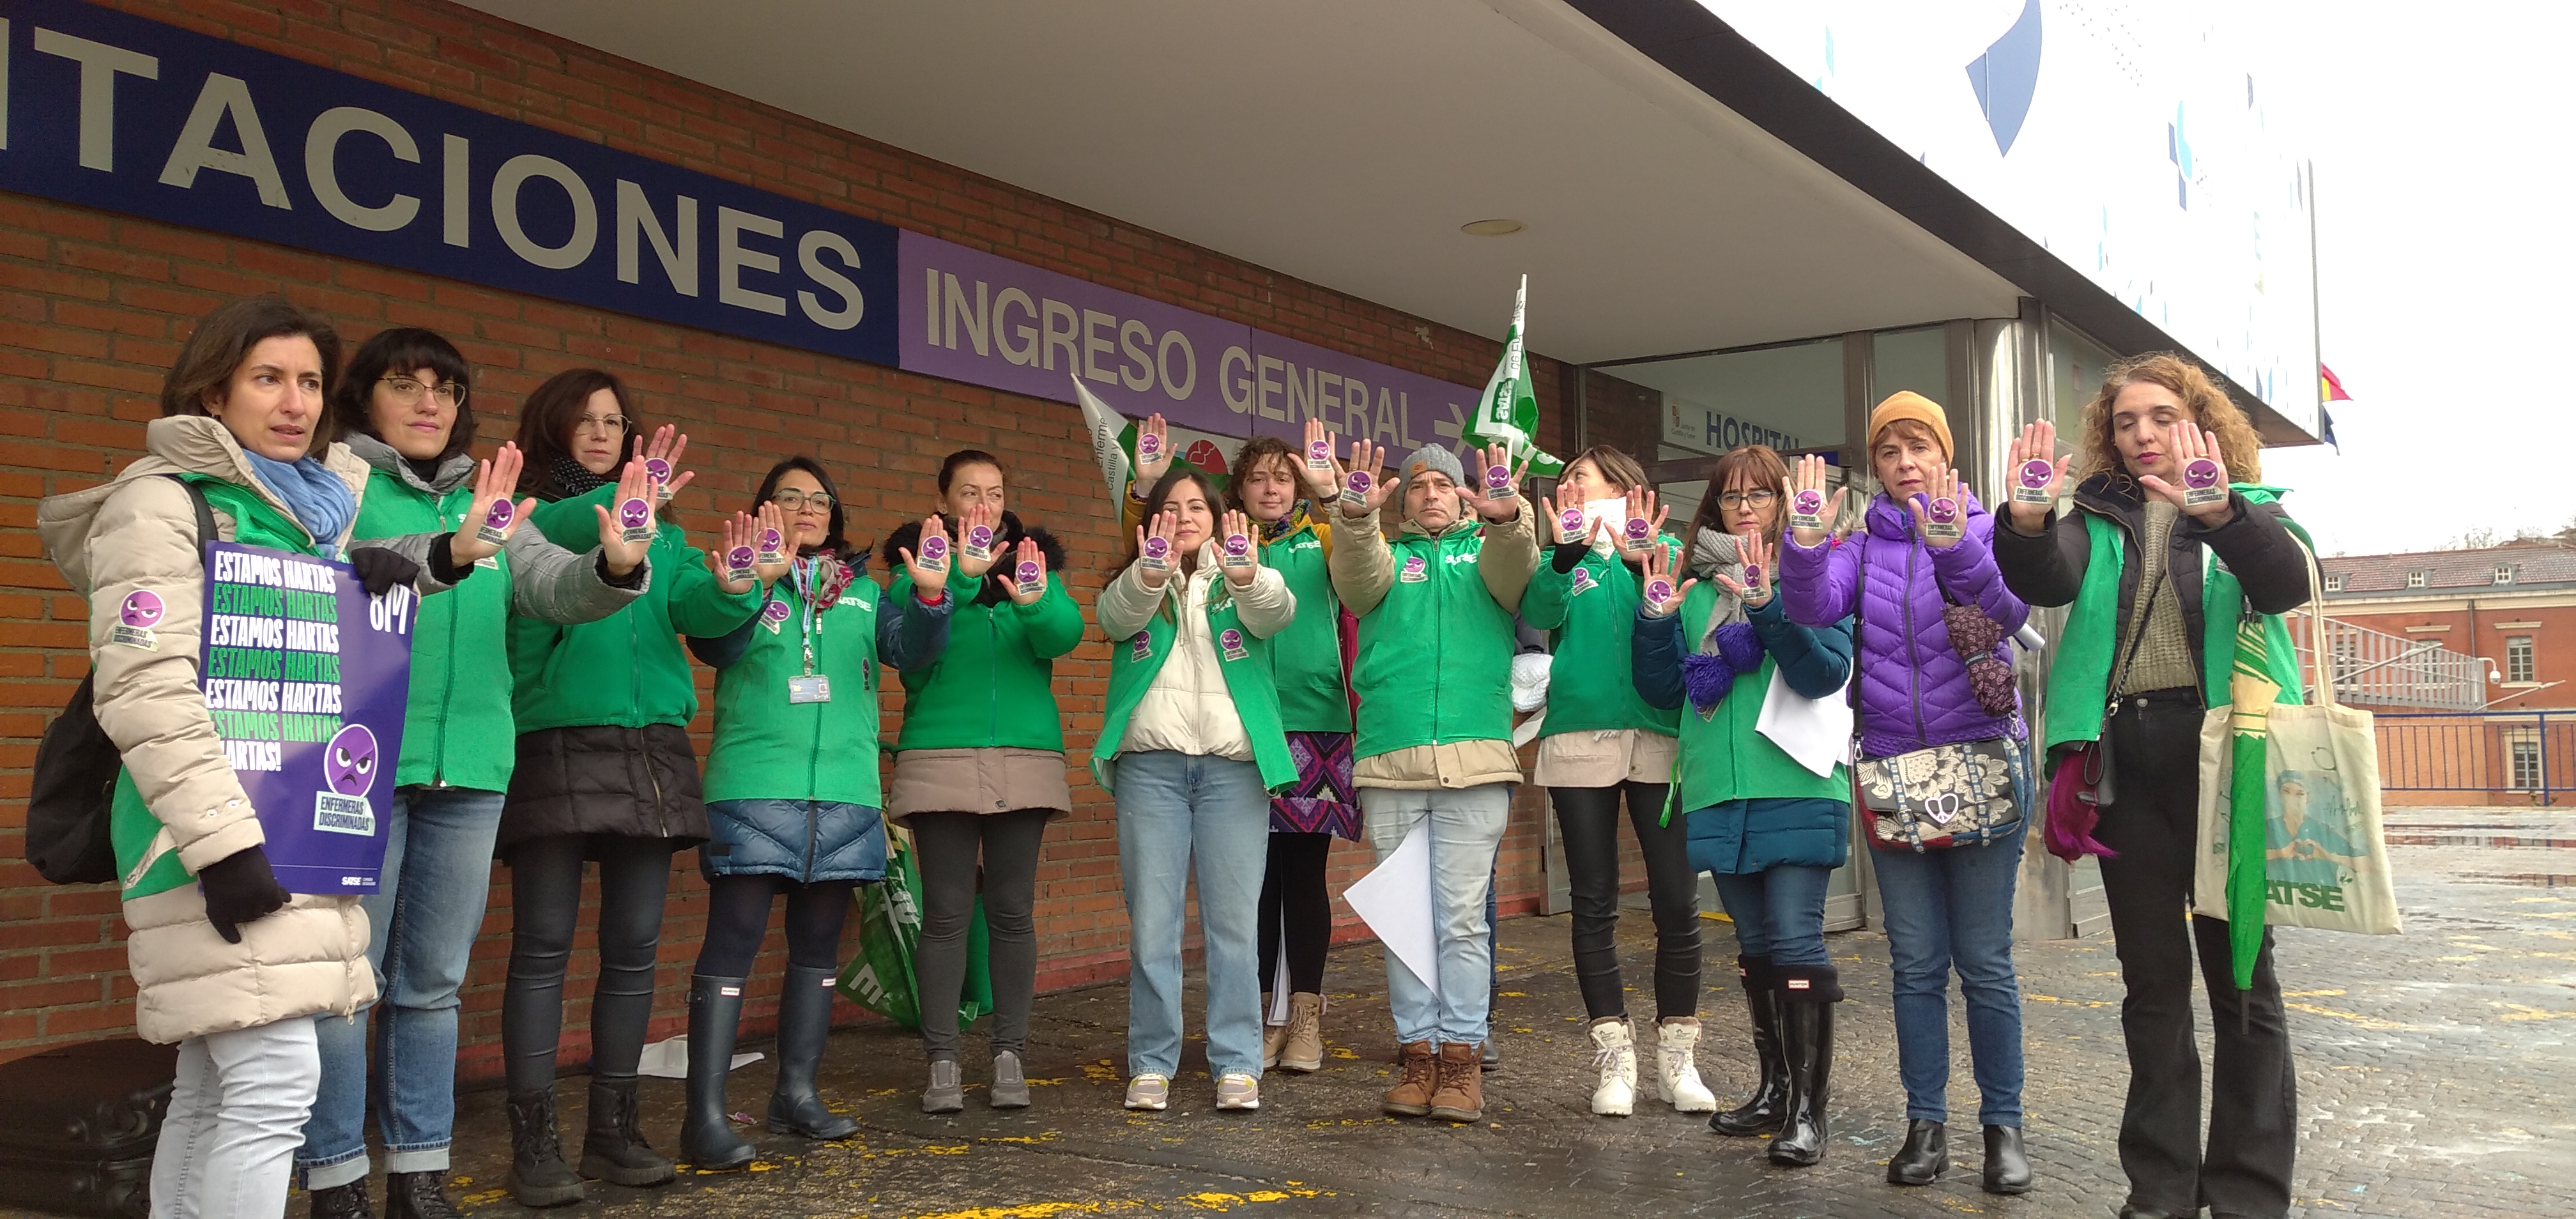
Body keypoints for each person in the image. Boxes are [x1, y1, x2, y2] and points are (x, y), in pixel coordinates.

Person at [36, 295, 462, 1219]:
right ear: (212, 389)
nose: (295, 402)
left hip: (292, 835)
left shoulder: (306, 518)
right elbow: (146, 690)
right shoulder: (161, 503)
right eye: (268, 378)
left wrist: (365, 583)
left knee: (220, 1082)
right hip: (207, 838)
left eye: (310, 382)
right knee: (273, 1082)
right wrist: (222, 846)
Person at [297, 329, 650, 1219]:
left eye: (446, 390)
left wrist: (619, 561)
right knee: (343, 981)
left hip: (476, 767)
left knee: (433, 984)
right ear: (362, 399)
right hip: (351, 768)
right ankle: (337, 1179)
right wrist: (447, 550)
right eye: (405, 385)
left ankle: (421, 1173)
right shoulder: (331, 486)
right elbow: (322, 590)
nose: (428, 403)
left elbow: (558, 590)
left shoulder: (490, 498)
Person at [1992, 355, 2312, 1219]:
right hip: (2124, 760)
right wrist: (2025, 517)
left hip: (2227, 757)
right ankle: (2162, 1190)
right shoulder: (2095, 516)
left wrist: (2221, 514)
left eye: (2161, 415)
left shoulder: (2257, 508)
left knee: (2242, 976)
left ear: (2198, 420)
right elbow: (2045, 575)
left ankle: (2247, 1193)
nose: (2142, 434)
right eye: (2126, 420)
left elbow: (2287, 585)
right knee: (2153, 983)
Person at [497, 371, 767, 1206]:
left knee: (635, 949)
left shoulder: (666, 532)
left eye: (617, 421)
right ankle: (533, 1145)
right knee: (542, 948)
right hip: (557, 741)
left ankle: (613, 1131)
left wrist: (735, 587)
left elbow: (696, 606)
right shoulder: (526, 517)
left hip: (650, 748)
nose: (604, 432)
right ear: (555, 428)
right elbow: (574, 526)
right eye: (588, 420)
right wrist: (627, 504)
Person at [1779, 392, 2034, 1190]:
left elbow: (2009, 607)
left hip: (1982, 764)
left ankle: (2004, 1129)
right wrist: (1807, 541)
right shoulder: (1863, 545)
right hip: (1894, 769)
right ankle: (1925, 1125)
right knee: (1915, 963)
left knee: (1985, 963)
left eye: (1918, 447)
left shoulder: (1985, 529)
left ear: (1943, 457)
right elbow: (1811, 605)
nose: (1904, 463)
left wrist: (1955, 545)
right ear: (1878, 468)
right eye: (1889, 452)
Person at [678, 456, 953, 1168]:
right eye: (789, 497)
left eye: (819, 500)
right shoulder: (742, 577)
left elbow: (913, 655)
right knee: (734, 937)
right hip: (751, 783)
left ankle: (796, 1093)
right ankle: (704, 1116)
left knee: (818, 947)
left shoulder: (864, 591)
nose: (807, 508)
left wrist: (928, 600)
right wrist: (752, 582)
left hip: (846, 793)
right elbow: (714, 643)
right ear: (764, 508)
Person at [1630, 445, 1854, 1158]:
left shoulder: (1814, 578)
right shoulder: (1693, 588)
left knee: (1795, 945)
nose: (1747, 507)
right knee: (1757, 953)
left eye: (1761, 494)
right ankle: (1776, 1094)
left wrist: (1766, 605)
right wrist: (1655, 619)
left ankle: (1810, 1117)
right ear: (1716, 507)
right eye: (1732, 497)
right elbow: (1665, 694)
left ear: (1786, 502)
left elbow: (1824, 674)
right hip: (1718, 792)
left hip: (1795, 783)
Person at [1130, 419, 1360, 1075]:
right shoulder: (1213, 550)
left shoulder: (1322, 537)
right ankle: (1262, 1017)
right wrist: (1143, 488)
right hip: (1240, 729)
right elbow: (1144, 556)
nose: (1270, 488)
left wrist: (1336, 493)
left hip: (1315, 722)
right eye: (1257, 477)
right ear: (1238, 487)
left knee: (1305, 877)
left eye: (1282, 477)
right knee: (1251, 888)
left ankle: (1308, 1018)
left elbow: (1363, 568)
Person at [1320, 436, 1538, 1124]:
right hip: (1393, 760)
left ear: (1461, 492)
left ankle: (1462, 1061)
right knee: (1403, 923)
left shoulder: (1489, 557)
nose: (1433, 494)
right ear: (1403, 499)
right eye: (1418, 486)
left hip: (1474, 763)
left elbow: (1516, 569)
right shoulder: (1387, 558)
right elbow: (1356, 579)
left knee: (1462, 926)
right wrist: (1355, 518)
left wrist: (1507, 520)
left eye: (1444, 483)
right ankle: (1417, 1058)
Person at [881, 450, 1080, 1113]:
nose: (983, 506)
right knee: (945, 914)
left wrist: (1032, 599)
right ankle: (941, 1060)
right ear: (943, 500)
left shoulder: (1032, 561)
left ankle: (1008, 1054)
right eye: (970, 493)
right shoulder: (918, 568)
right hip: (940, 754)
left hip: (1025, 755)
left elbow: (1063, 636)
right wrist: (957, 582)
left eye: (994, 493)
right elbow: (910, 652)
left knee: (1013, 911)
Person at [1093, 468, 1299, 1111]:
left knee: (1234, 926)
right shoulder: (1139, 581)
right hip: (1150, 768)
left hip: (1232, 770)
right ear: (1152, 520)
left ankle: (1237, 1062)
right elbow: (1114, 618)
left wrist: (1244, 574)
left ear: (1218, 516)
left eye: (1196, 508)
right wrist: (1151, 570)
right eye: (1170, 508)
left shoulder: (1245, 577)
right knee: (1152, 925)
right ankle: (1151, 1062)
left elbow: (1277, 614)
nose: (1184, 517)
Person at [1519, 445, 1712, 1116]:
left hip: (1660, 736)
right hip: (1580, 735)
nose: (1569, 486)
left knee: (1675, 901)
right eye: (1565, 477)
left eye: (1582, 477)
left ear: (1625, 486)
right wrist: (1567, 554)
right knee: (1593, 899)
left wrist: (1638, 559)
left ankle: (1677, 1058)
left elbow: (1689, 621)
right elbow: (1539, 611)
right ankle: (1614, 1059)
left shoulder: (1660, 547)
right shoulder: (1561, 557)